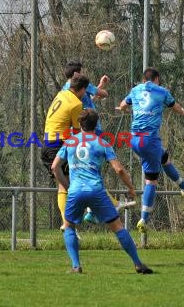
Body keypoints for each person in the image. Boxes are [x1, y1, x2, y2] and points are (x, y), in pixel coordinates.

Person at [51, 109, 153, 274]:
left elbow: (55, 167)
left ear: (80, 124)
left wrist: (68, 186)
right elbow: (119, 169)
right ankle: (138, 263)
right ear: (96, 124)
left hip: (76, 191)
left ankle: (76, 266)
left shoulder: (70, 142)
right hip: (97, 191)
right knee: (118, 227)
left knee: (69, 227)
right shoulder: (103, 143)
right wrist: (131, 188)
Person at [118, 67, 184, 233]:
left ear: (144, 79)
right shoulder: (162, 91)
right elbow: (175, 106)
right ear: (156, 78)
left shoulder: (135, 90)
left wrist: (125, 109)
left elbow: (122, 106)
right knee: (151, 181)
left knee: (164, 158)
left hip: (134, 139)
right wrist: (183, 111)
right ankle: (144, 219)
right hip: (149, 139)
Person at [62, 61, 135, 223]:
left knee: (83, 169)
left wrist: (98, 85)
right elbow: (103, 94)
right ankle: (102, 207)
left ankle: (90, 210)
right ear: (76, 75)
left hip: (77, 132)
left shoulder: (65, 90)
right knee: (94, 168)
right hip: (92, 129)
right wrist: (100, 87)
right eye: (80, 73)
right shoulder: (81, 84)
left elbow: (90, 99)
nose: (82, 75)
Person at [41, 74, 88, 230]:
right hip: (58, 144)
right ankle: (68, 224)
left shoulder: (61, 94)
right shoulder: (76, 103)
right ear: (83, 89)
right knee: (69, 183)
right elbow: (77, 131)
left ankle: (68, 223)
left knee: (63, 184)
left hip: (47, 143)